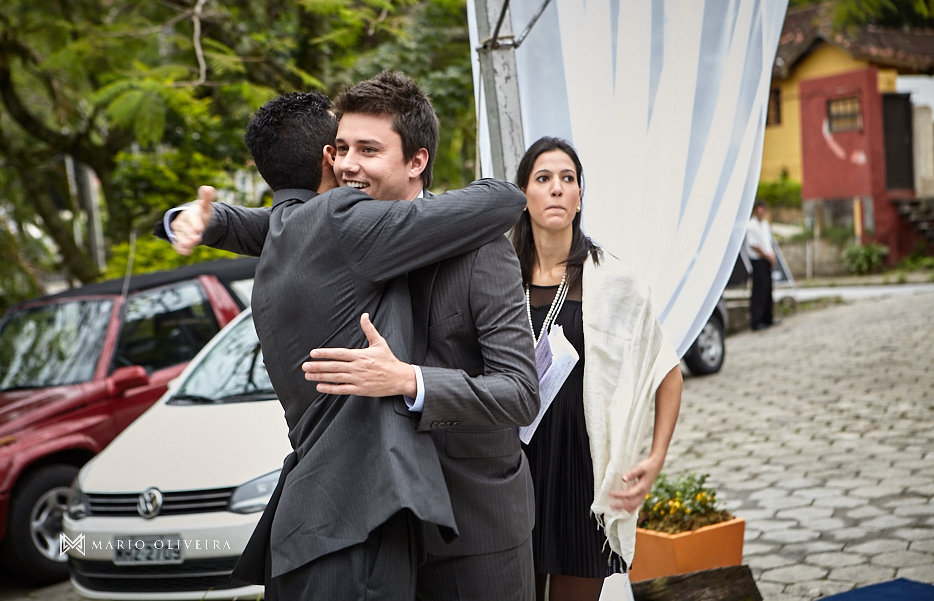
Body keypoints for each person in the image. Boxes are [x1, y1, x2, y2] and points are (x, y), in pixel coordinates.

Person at [165, 74, 540, 601]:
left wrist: (410, 381)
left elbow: (521, 393)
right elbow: (274, 221)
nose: (346, 165)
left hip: (473, 525)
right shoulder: (334, 225)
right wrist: (193, 219)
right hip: (378, 529)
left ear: (416, 161)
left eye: (367, 149)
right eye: (340, 148)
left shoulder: (480, 250)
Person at [511, 137, 683, 601]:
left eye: (568, 179)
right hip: (510, 471)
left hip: (581, 471)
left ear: (580, 196)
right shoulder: (498, 277)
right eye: (543, 178)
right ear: (522, 193)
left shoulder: (612, 280)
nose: (557, 189)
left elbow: (666, 370)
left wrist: (655, 457)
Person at [744, 200, 776, 330]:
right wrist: (767, 255)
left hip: (767, 260)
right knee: (759, 291)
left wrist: (772, 255)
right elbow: (754, 245)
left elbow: (768, 242)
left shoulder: (765, 225)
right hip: (758, 261)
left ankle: (768, 318)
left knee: (768, 289)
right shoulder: (751, 225)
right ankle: (757, 321)